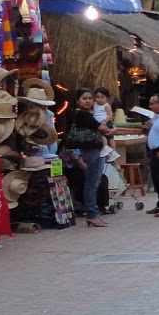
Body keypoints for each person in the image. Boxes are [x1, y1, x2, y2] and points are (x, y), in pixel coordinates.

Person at [63, 89, 113, 228]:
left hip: (91, 151)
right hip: (91, 152)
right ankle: (91, 214)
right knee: (92, 184)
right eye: (84, 98)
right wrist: (111, 130)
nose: (88, 101)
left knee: (93, 183)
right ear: (77, 100)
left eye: (90, 98)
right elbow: (103, 128)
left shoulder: (87, 114)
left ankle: (93, 213)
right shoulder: (82, 115)